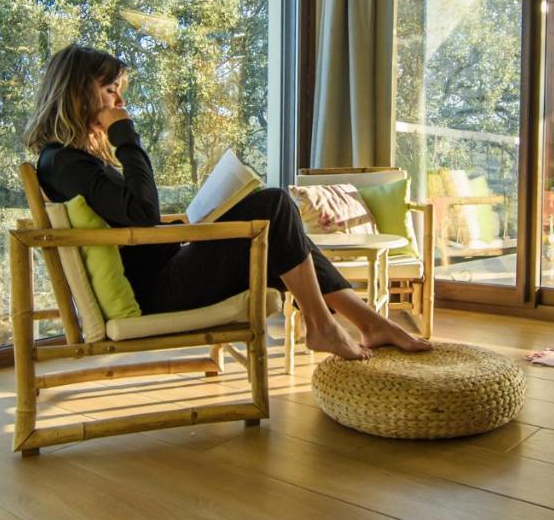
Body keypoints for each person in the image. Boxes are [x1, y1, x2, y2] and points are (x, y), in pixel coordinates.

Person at [24, 44, 430, 361]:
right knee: (272, 206)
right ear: (78, 92)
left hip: (162, 271)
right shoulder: (66, 162)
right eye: (110, 90)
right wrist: (126, 136)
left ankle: (364, 323)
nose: (119, 103)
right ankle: (328, 324)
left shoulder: (69, 160)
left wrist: (187, 225)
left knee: (279, 230)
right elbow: (142, 214)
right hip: (156, 293)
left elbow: (133, 219)